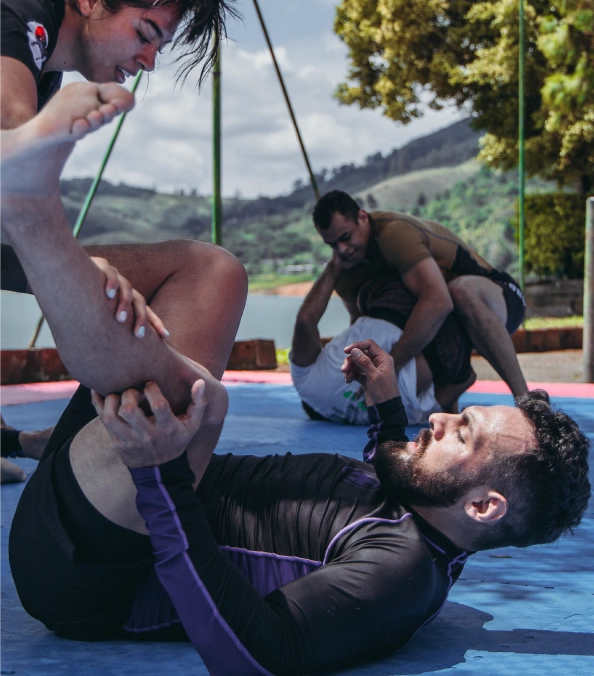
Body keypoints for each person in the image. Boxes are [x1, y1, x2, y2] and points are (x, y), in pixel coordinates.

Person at [5, 92, 590, 676]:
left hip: (84, 568)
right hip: (92, 497)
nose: (438, 418)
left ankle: (30, 222)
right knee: (210, 272)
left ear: (484, 507)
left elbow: (257, 654)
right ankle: (20, 293)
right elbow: (383, 479)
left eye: (460, 434)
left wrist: (159, 479)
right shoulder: (427, 512)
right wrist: (387, 403)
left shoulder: (402, 574)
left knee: (204, 398)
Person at [0, 0, 236, 481]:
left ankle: (77, 452)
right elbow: (11, 148)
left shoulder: (46, 63)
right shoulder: (16, 14)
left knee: (211, 269)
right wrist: (71, 263)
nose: (150, 60)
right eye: (145, 33)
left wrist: (75, 266)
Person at [311, 190, 529, 409]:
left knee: (457, 292)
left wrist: (391, 365)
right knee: (402, 314)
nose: (342, 250)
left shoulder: (393, 233)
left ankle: (528, 403)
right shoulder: (345, 268)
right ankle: (451, 399)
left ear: (363, 217)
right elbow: (366, 326)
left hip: (501, 300)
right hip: (449, 322)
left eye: (346, 237)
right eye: (332, 245)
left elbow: (439, 302)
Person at [290, 250, 447, 424]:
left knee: (455, 372)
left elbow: (461, 381)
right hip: (387, 303)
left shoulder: (406, 418)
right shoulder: (307, 388)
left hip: (436, 351)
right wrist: (335, 266)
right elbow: (305, 322)